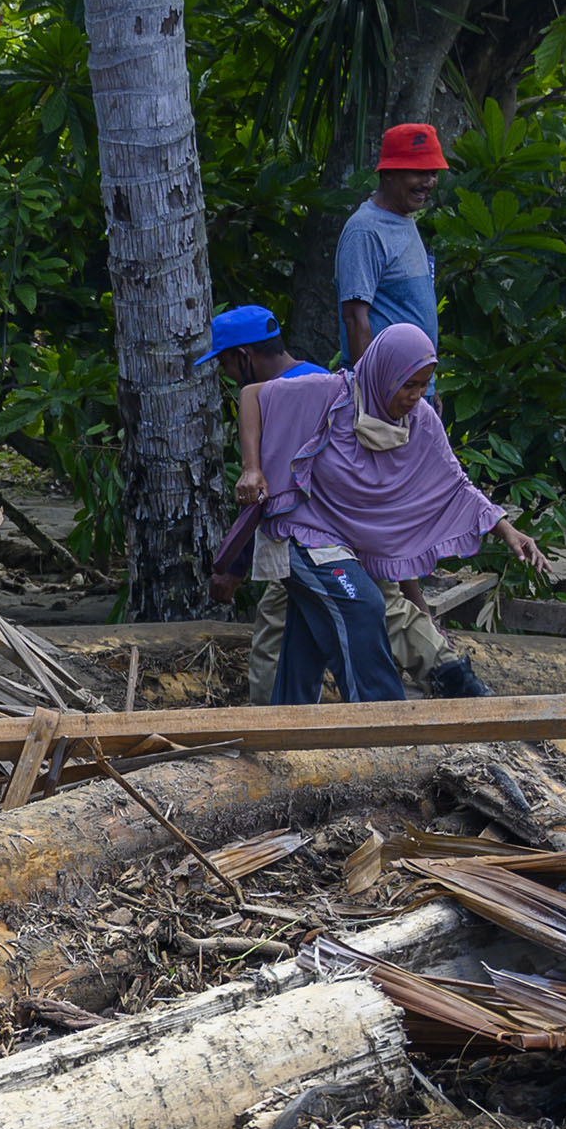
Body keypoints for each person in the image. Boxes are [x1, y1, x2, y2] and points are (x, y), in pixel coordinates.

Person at [244, 323, 543, 706]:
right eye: (408, 385)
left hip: (362, 547)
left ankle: (285, 725)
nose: (416, 396)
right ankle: (382, 719)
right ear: (383, 373)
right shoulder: (331, 394)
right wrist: (252, 469)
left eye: (424, 385)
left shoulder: (420, 422)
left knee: (307, 636)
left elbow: (455, 483)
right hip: (305, 532)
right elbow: (253, 396)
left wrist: (506, 531)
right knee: (362, 606)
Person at [190, 304, 324, 699]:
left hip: (300, 541)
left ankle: (269, 733)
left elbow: (266, 496)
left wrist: (233, 566)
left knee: (273, 640)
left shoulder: (275, 402)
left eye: (227, 365)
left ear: (244, 357)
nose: (228, 376)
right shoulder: (322, 379)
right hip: (338, 538)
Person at [334, 123, 448, 364]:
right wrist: (370, 390)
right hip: (384, 392)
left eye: (433, 173)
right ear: (388, 172)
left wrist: (427, 384)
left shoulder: (404, 219)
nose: (428, 182)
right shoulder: (365, 229)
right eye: (419, 172)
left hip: (411, 390)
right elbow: (355, 317)